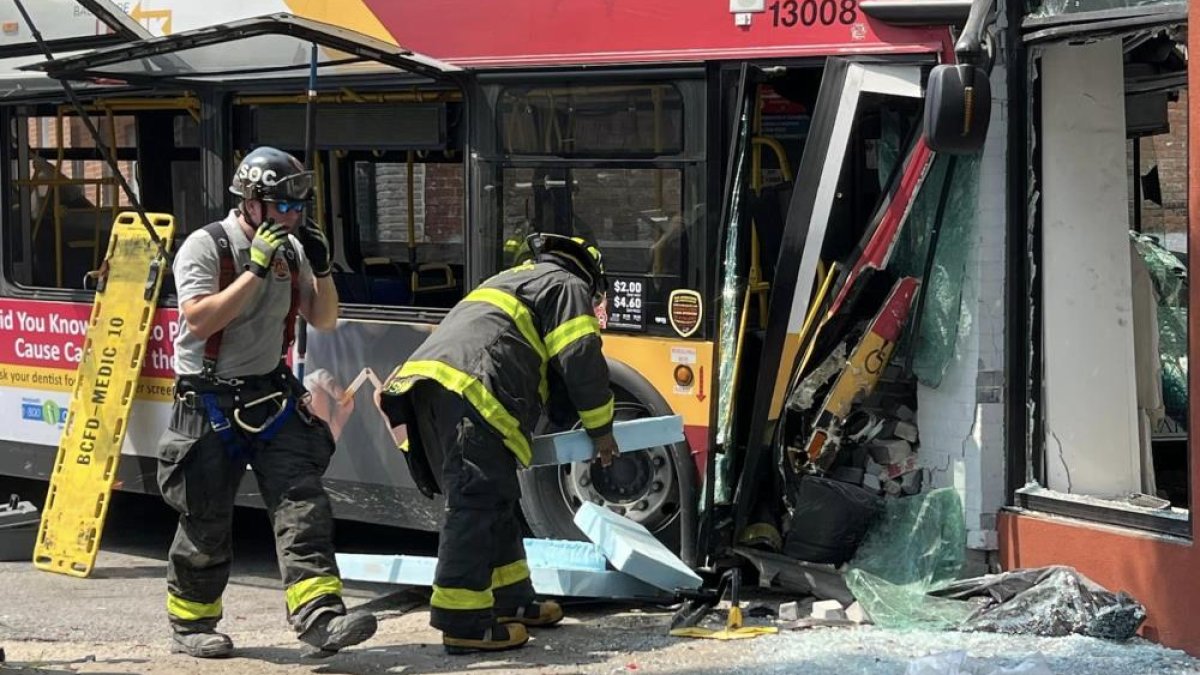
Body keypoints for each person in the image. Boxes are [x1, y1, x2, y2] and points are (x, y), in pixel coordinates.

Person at [157, 146, 376, 659]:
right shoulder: (206, 246)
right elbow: (198, 321)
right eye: (282, 207)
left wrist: (321, 270)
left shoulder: (293, 249)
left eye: (300, 207)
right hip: (208, 403)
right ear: (251, 203)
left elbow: (323, 319)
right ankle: (191, 624)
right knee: (205, 520)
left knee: (303, 505)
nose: (293, 216)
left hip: (271, 398)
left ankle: (320, 617)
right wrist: (252, 271)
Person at [377, 233, 620, 654]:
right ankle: (462, 621)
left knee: (497, 499)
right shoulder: (567, 285)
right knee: (475, 503)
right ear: (589, 272)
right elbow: (580, 355)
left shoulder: (515, 278)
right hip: (473, 389)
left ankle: (512, 600)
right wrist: (601, 430)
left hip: (432, 387)